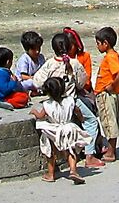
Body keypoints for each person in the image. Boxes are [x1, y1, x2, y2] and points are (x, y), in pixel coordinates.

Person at [35, 32, 103, 168]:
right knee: (91, 121)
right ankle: (90, 154)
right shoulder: (74, 63)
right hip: (71, 100)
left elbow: (37, 81)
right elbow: (82, 83)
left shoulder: (49, 64)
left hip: (53, 101)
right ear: (69, 46)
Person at [32, 76, 90, 184]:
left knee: (50, 152)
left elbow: (40, 116)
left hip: (55, 130)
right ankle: (73, 170)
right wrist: (81, 119)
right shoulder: (69, 100)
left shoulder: (47, 104)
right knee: (70, 150)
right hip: (68, 128)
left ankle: (50, 174)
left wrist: (34, 112)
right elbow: (77, 111)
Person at [94, 27, 119, 163]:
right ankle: (112, 149)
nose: (97, 46)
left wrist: (112, 84)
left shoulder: (110, 57)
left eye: (98, 43)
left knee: (108, 122)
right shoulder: (114, 55)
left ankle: (110, 152)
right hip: (111, 94)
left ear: (105, 43)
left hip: (105, 94)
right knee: (112, 120)